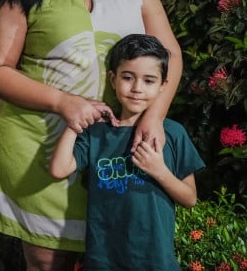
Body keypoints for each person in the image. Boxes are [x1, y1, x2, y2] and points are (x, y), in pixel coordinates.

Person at [0, 0, 183, 271]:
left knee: (118, 256)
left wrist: (153, 117)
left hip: (115, 150)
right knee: (47, 263)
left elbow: (169, 51)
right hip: (42, 146)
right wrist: (62, 102)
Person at [49, 34, 205, 271]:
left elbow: (190, 198)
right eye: (128, 77)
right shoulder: (97, 133)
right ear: (113, 79)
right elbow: (59, 169)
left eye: (149, 80)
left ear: (163, 85)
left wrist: (159, 171)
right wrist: (75, 123)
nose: (137, 88)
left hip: (156, 261)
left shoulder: (172, 133)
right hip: (104, 261)